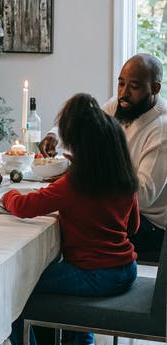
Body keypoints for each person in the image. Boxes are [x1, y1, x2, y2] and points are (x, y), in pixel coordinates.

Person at [3, 93, 139, 345]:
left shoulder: (73, 184)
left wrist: (6, 193)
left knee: (10, 295)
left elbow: (25, 206)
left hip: (95, 277)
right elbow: (132, 225)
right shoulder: (124, 180)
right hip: (127, 269)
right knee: (58, 268)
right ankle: (85, 340)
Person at [39, 54, 166, 263]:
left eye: (134, 86)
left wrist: (87, 172)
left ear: (155, 89)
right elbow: (86, 122)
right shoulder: (121, 104)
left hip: (150, 226)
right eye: (121, 83)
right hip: (121, 207)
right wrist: (55, 135)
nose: (124, 93)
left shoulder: (162, 129)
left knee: (69, 218)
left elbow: (142, 197)